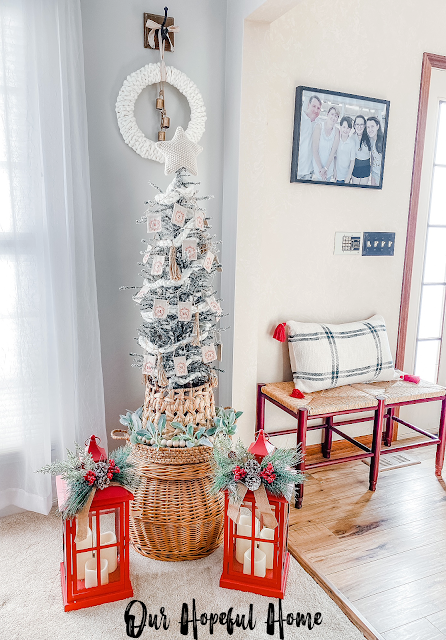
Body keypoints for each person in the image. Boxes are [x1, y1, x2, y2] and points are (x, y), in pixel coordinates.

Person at [297, 94, 322, 180]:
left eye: (318, 108)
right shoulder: (300, 119)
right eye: (314, 106)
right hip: (297, 171)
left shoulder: (318, 124)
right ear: (308, 105)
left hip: (309, 172)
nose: (316, 110)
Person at [312, 106, 340, 181]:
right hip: (318, 169)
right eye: (332, 114)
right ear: (327, 114)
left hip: (328, 170)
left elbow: (332, 152)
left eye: (336, 116)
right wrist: (321, 170)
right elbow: (315, 150)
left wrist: (325, 168)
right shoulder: (319, 127)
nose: (333, 117)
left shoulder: (337, 131)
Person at [334, 116, 355, 183]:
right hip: (337, 175)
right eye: (344, 127)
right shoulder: (336, 139)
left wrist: (349, 176)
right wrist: (334, 171)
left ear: (350, 129)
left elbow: (352, 161)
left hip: (346, 176)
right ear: (340, 127)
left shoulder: (352, 143)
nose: (345, 130)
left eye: (348, 128)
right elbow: (334, 157)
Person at [351, 115, 371, 185]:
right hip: (355, 166)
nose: (359, 127)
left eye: (361, 124)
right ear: (354, 125)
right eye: (357, 124)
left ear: (365, 125)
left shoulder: (369, 137)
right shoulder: (352, 138)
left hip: (366, 167)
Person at [367, 116, 384, 186]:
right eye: (368, 127)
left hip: (380, 174)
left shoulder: (382, 141)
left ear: (377, 127)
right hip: (374, 172)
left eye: (372, 126)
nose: (370, 129)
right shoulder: (372, 140)